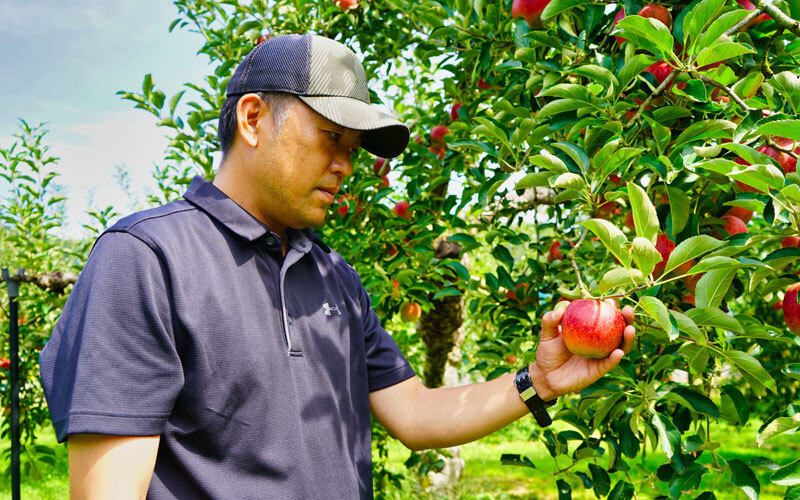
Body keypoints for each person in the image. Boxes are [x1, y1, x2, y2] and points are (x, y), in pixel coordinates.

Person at [40, 34, 635, 499]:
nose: (345, 165)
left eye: (353, 149)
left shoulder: (333, 276)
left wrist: (540, 381)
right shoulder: (147, 258)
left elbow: (414, 413)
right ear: (252, 119)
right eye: (330, 138)